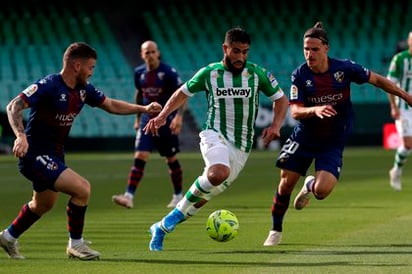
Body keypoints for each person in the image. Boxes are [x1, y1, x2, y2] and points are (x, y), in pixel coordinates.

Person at [0, 42, 161, 260]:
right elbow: (13, 106)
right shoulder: (49, 85)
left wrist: (143, 109)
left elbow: (111, 104)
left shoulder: (84, 89)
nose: (92, 72)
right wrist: (20, 136)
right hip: (34, 153)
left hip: (54, 154)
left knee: (43, 204)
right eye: (91, 67)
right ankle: (76, 245)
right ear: (77, 65)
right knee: (82, 188)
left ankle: (8, 237)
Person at [263, 22, 412, 247]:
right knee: (286, 183)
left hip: (333, 139)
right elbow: (295, 111)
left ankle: (310, 184)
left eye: (314, 49)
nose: (309, 54)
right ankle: (275, 229)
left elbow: (378, 80)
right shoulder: (300, 75)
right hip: (305, 136)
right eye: (306, 49)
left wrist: (405, 95)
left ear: (326, 49)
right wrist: (315, 110)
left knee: (322, 192)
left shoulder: (344, 69)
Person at [143, 27, 289, 251]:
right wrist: (163, 115)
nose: (240, 57)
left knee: (204, 196)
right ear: (225, 48)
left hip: (242, 146)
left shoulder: (257, 74)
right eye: (236, 51)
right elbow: (182, 92)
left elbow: (281, 100)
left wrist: (276, 125)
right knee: (218, 173)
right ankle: (168, 223)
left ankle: (161, 227)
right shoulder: (209, 73)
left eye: (245, 52)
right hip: (214, 134)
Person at [112, 40, 185, 209]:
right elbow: (139, 94)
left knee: (171, 158)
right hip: (146, 120)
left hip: (166, 120)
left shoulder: (168, 72)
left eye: (153, 52)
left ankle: (178, 196)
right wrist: (138, 118)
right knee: (140, 156)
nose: (150, 55)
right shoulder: (139, 73)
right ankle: (128, 196)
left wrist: (178, 117)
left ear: (158, 53)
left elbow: (183, 94)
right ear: (142, 55)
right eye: (147, 52)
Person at [387, 31, 412, 191]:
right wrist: (394, 107)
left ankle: (396, 169)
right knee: (408, 144)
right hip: (403, 108)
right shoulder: (400, 59)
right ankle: (396, 170)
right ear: (409, 41)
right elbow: (390, 85)